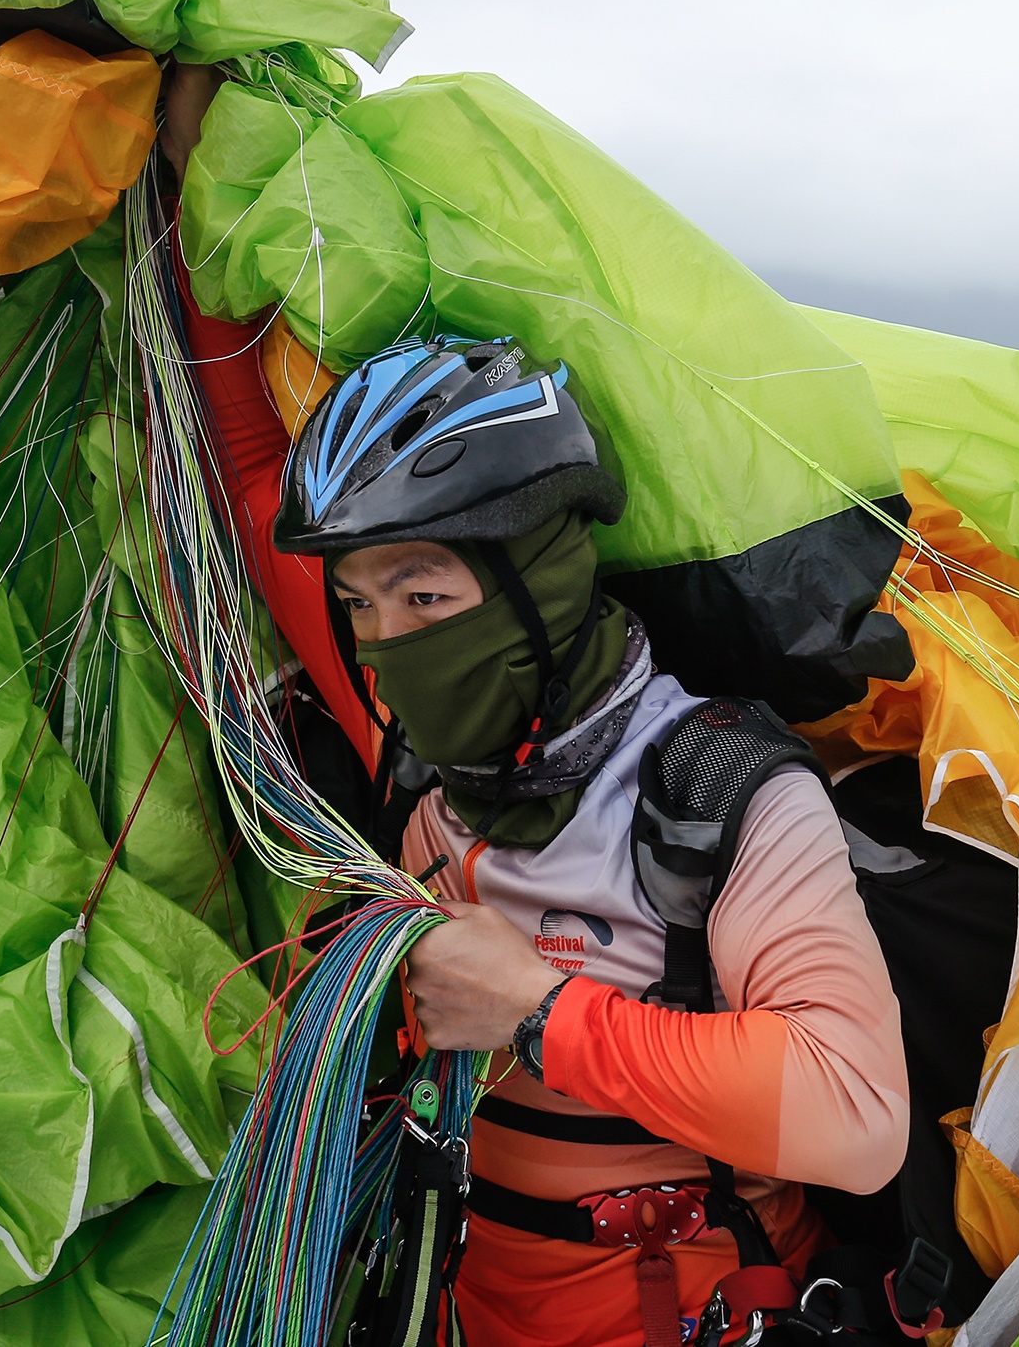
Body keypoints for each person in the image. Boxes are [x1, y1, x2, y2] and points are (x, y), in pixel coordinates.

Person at [273, 336, 911, 1347]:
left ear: (538, 587)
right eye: (358, 604)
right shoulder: (420, 772)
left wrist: (533, 1013)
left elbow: (855, 1113)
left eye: (423, 596)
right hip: (449, 1305)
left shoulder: (722, 794)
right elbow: (235, 471)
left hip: (684, 1311)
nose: (386, 646)